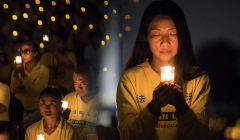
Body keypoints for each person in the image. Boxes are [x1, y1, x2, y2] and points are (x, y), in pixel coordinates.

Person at [116, 1, 211, 140]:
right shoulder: (131, 79)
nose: (165, 41)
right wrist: (153, 107)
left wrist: (181, 106)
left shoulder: (197, 78)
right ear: (145, 37)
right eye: (156, 34)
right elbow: (127, 135)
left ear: (181, 37)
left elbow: (200, 134)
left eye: (172, 33)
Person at [10, 40, 49, 128]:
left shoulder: (43, 70)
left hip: (35, 110)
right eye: (22, 52)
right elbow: (13, 90)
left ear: (35, 53)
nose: (23, 54)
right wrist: (15, 76)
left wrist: (23, 76)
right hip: (19, 109)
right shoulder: (18, 68)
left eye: (27, 51)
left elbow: (36, 91)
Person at [61, 65, 106, 140]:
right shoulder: (69, 100)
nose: (78, 87)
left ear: (92, 80)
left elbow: (109, 132)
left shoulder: (105, 101)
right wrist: (61, 120)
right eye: (75, 83)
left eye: (83, 83)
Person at [40, 29, 77, 94]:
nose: (54, 44)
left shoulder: (70, 55)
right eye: (52, 41)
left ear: (65, 44)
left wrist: (52, 50)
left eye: (58, 41)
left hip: (67, 92)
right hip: (51, 92)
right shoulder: (46, 56)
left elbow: (68, 65)